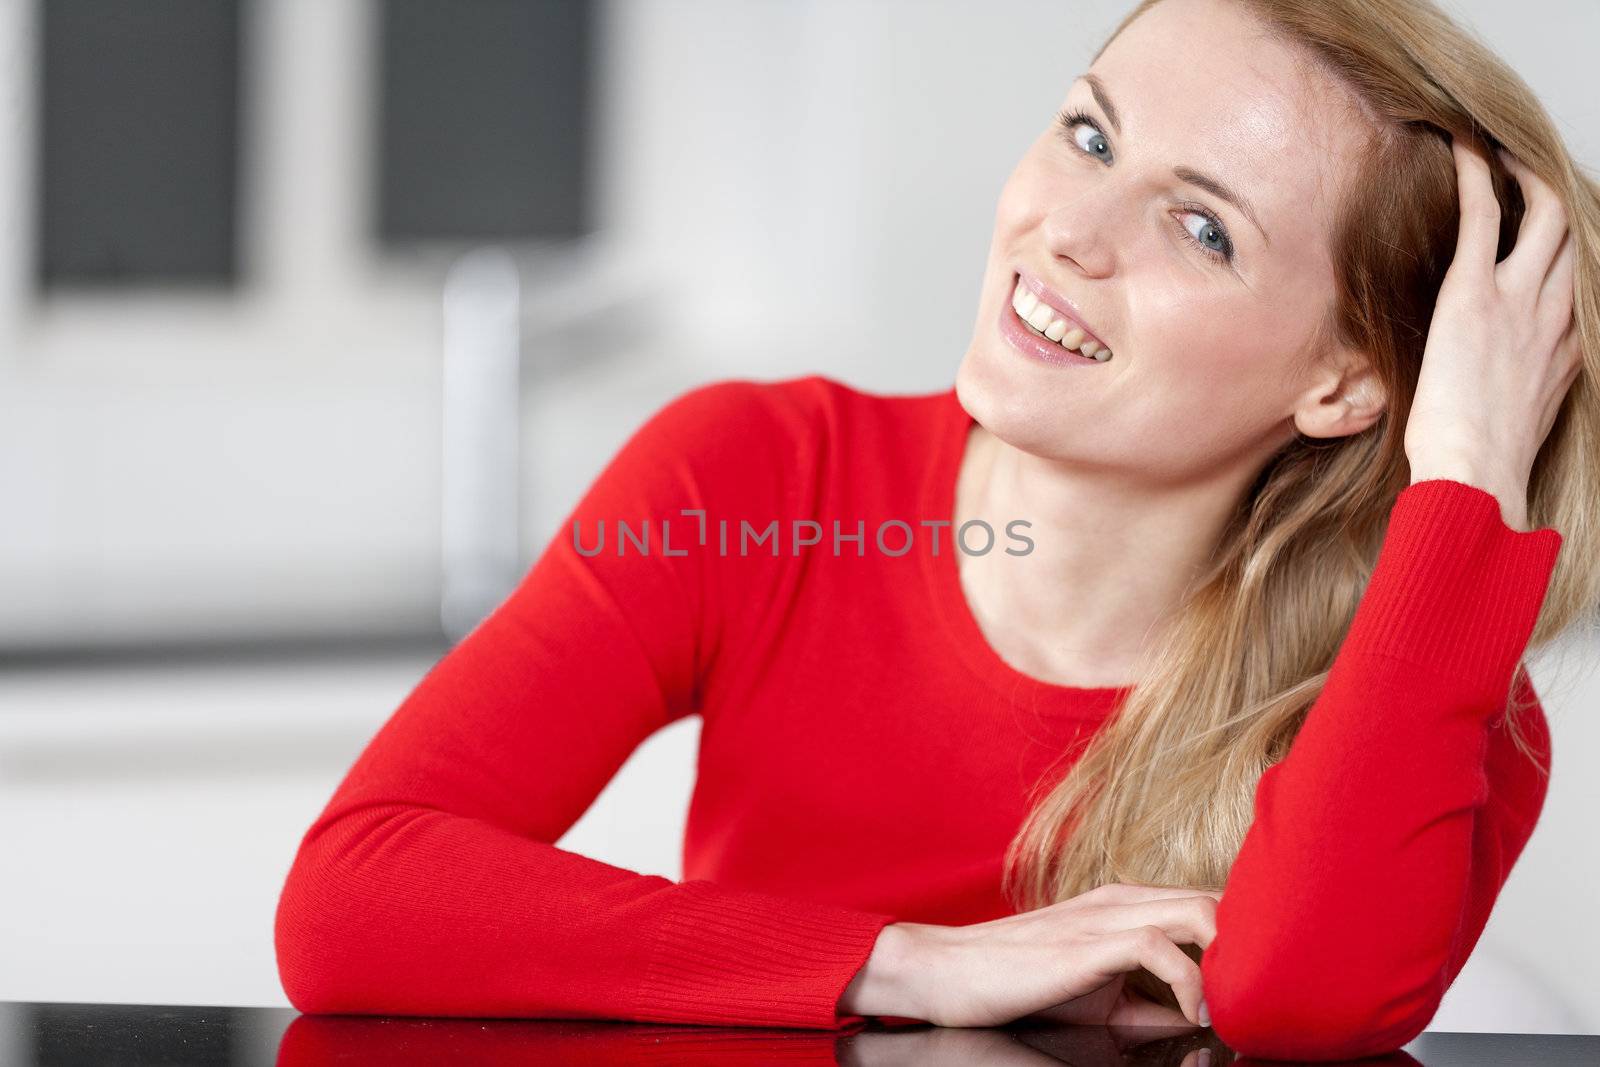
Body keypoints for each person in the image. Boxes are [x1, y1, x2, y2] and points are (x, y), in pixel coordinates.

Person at [273, 0, 1597, 1060]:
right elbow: (352, 899)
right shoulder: (761, 480)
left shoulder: (1432, 692)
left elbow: (1303, 1004)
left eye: (1202, 229)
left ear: (1348, 383)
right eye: (1090, 136)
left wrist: (1467, 473)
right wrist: (905, 961)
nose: (1068, 232)